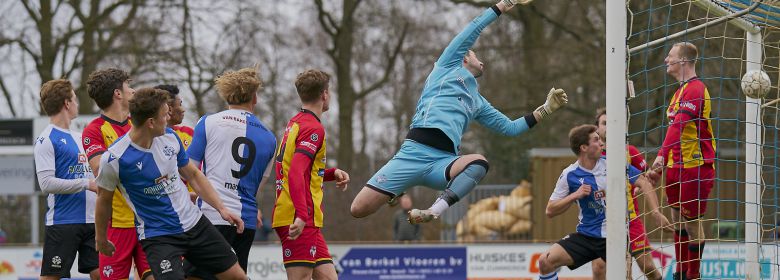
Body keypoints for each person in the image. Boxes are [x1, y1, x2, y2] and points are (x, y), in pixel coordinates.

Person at [350, 0, 568, 224]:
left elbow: (510, 128)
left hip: (443, 163)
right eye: (475, 56)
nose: (481, 61)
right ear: (464, 57)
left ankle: (435, 210)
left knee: (479, 162)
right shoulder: (447, 66)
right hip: (411, 154)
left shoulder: (478, 102)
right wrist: (505, 3)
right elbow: (473, 28)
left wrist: (546, 109)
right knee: (358, 208)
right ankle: (396, 190)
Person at [94, 88, 246, 280]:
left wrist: (222, 209)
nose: (168, 119)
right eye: (165, 115)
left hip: (195, 224)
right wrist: (101, 238)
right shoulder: (114, 159)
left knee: (237, 277)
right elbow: (103, 199)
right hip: (159, 236)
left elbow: (193, 175)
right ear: (151, 122)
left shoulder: (171, 138)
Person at [536, 125, 669, 280]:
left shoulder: (613, 164)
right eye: (596, 140)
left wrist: (655, 212)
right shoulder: (569, 174)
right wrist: (574, 196)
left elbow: (644, 183)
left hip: (617, 236)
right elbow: (550, 210)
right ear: (584, 147)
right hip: (587, 235)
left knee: (635, 272)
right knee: (544, 261)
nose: (601, 143)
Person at [186, 68, 277, 278]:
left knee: (193, 276)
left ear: (226, 94)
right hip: (246, 222)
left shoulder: (207, 122)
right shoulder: (270, 138)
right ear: (254, 97)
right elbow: (257, 187)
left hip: (211, 217)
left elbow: (189, 169)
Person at [272, 69, 350, 280]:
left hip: (304, 217)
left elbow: (300, 169)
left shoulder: (296, 122)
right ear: (324, 94)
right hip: (298, 216)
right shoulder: (313, 128)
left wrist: (331, 173)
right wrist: (301, 215)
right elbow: (296, 172)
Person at [650, 42, 715, 280]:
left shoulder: (696, 89)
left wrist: (659, 155)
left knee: (692, 222)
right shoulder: (678, 93)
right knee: (678, 219)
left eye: (670, 56)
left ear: (683, 61)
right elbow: (673, 132)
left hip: (695, 167)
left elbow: (679, 127)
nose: (666, 60)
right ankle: (680, 271)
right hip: (675, 167)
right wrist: (663, 163)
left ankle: (693, 275)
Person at [81, 68, 152, 280]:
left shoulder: (140, 123)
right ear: (117, 93)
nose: (133, 90)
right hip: (115, 225)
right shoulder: (94, 130)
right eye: (128, 86)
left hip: (148, 220)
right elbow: (102, 173)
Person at [591, 108, 671, 280]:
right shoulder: (591, 155)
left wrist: (642, 183)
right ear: (597, 128)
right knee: (599, 267)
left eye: (612, 123)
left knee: (648, 267)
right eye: (604, 123)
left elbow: (648, 178)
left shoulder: (629, 152)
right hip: (600, 221)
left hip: (630, 219)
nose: (609, 127)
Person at [34, 79, 99, 280]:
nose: (78, 103)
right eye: (75, 99)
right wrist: (87, 184)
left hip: (93, 222)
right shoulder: (46, 139)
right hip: (63, 223)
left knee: (102, 275)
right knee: (51, 277)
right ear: (67, 103)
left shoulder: (82, 137)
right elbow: (46, 184)